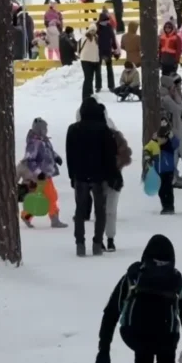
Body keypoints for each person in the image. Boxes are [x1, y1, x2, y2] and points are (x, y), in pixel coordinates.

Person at [94, 234, 182, 363]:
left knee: (143, 349)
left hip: (135, 334)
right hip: (166, 336)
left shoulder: (134, 276)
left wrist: (103, 349)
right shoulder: (175, 279)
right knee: (166, 344)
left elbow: (111, 311)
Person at [66, 97, 119, 257]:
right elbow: (110, 154)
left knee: (80, 210)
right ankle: (97, 243)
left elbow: (70, 155)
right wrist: (111, 174)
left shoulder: (73, 129)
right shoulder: (104, 130)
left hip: (80, 174)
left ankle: (80, 243)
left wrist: (72, 175)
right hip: (99, 175)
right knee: (100, 210)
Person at [19, 118, 68, 229]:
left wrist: (56, 157)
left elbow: (48, 151)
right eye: (45, 128)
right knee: (51, 196)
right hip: (40, 176)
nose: (46, 130)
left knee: (42, 196)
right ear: (40, 129)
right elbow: (30, 161)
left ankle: (26, 216)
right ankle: (54, 220)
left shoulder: (43, 140)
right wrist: (39, 173)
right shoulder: (34, 143)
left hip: (46, 174)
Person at [99, 106, 131, 252]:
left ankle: (110, 238)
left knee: (110, 210)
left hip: (113, 178)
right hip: (100, 178)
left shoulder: (116, 136)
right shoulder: (94, 135)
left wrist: (115, 164)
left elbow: (126, 155)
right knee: (102, 209)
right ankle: (100, 237)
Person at [144, 126, 180, 214]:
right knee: (161, 191)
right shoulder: (154, 144)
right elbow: (147, 148)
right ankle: (164, 206)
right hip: (159, 172)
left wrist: (172, 136)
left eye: (163, 138)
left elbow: (176, 144)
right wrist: (147, 156)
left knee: (168, 190)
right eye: (159, 138)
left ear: (166, 138)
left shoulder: (170, 145)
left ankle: (170, 207)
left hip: (168, 172)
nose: (160, 140)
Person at [96, 11, 118, 91]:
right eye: (105, 20)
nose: (106, 22)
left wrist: (115, 48)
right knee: (98, 69)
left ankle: (111, 86)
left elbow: (113, 38)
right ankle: (98, 86)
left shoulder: (109, 27)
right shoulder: (96, 27)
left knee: (109, 68)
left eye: (107, 20)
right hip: (98, 50)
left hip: (108, 50)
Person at [78, 24, 101, 100]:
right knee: (87, 78)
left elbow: (96, 50)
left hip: (94, 61)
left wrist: (97, 60)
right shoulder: (85, 36)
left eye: (94, 30)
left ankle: (90, 94)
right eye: (92, 30)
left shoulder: (96, 37)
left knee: (90, 78)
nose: (93, 32)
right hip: (85, 60)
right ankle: (85, 96)